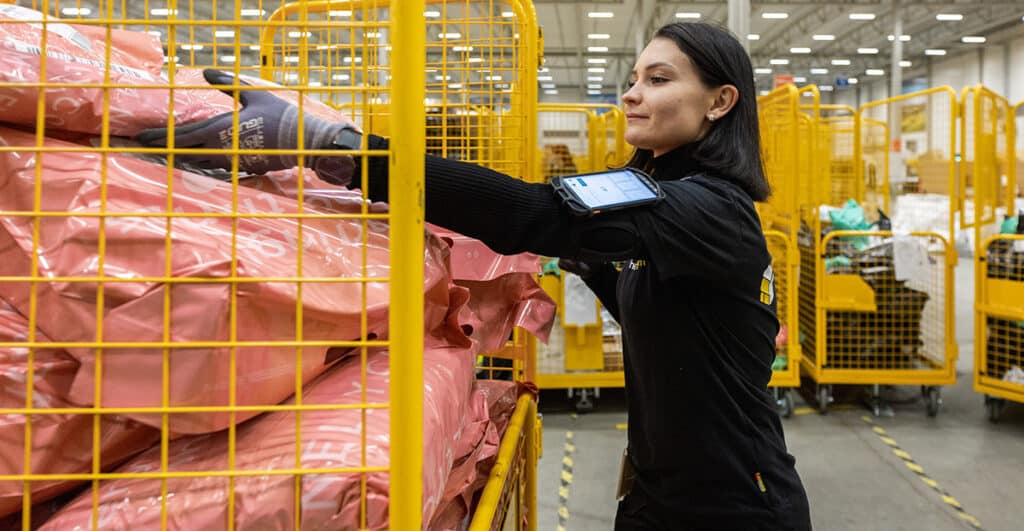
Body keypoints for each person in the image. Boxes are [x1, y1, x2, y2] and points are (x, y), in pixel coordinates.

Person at [138, 21, 811, 531]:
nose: (632, 94)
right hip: (657, 494)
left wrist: (338, 151)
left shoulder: (712, 210)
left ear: (720, 101)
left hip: (734, 504)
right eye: (634, 79)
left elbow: (533, 213)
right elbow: (637, 289)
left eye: (659, 80)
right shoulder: (664, 204)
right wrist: (540, 254)